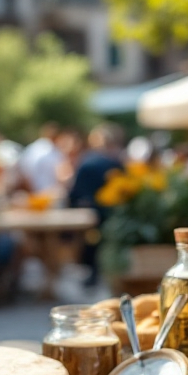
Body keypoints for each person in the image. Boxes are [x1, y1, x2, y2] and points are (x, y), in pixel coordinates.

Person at [67, 122, 125, 286]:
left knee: (91, 244)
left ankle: (93, 274)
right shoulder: (116, 162)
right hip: (113, 212)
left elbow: (74, 192)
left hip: (91, 213)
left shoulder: (87, 162)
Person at [18, 122, 63, 195]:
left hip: (35, 192)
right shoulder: (54, 150)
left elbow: (24, 172)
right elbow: (60, 174)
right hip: (51, 193)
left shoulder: (31, 148)